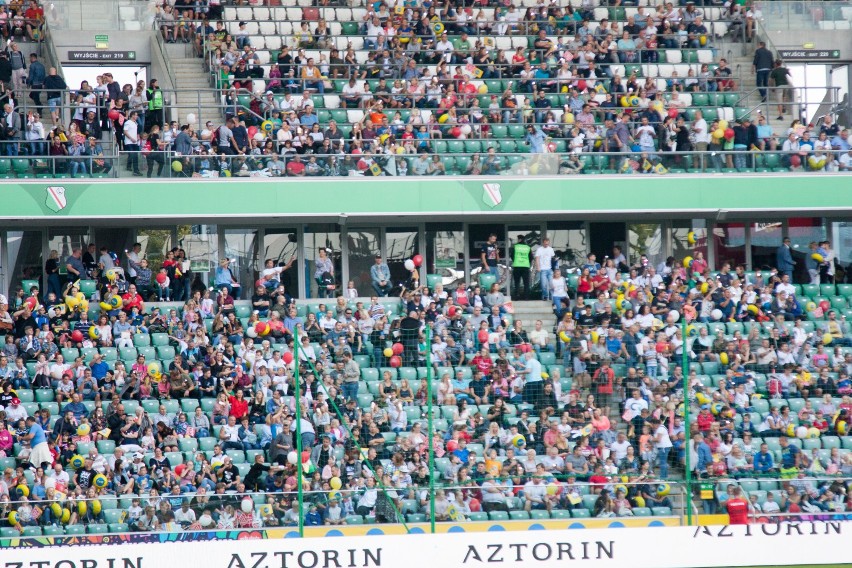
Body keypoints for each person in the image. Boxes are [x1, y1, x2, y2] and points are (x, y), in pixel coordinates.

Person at [509, 235, 532, 300]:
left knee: (517, 282)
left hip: (517, 266)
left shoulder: (515, 247)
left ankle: (516, 297)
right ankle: (526, 297)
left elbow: (512, 255)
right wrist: (527, 262)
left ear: (519, 239)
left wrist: (515, 260)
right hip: (525, 266)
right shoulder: (528, 247)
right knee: (526, 283)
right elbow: (531, 257)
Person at [535, 237, 555, 301]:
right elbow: (537, 258)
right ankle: (545, 295)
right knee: (543, 285)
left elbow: (553, 259)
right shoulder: (539, 249)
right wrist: (538, 267)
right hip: (542, 269)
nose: (546, 245)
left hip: (549, 269)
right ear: (543, 243)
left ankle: (552, 297)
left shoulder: (551, 249)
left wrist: (554, 268)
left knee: (552, 284)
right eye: (545, 244)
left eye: (547, 244)